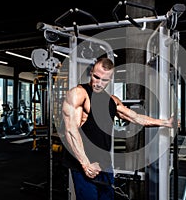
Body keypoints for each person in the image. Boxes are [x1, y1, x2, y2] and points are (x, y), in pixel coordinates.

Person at [61, 57, 173, 200]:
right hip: (84, 163)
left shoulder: (112, 100)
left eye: (104, 80)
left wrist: (165, 122)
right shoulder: (79, 93)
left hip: (105, 163)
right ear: (91, 73)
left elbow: (136, 118)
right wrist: (85, 163)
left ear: (111, 79)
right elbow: (70, 130)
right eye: (96, 77)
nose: (99, 83)